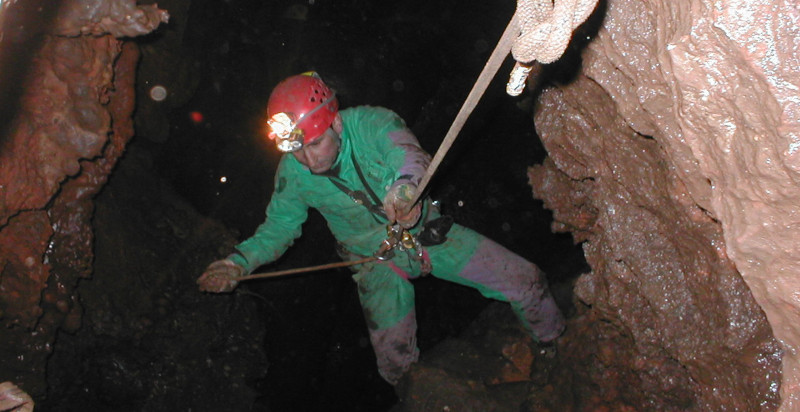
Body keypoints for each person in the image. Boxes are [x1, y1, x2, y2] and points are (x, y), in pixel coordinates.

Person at [197, 72, 565, 385]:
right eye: (297, 150)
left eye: (316, 144)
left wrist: (404, 190)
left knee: (527, 282)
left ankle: (556, 351)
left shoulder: (372, 123)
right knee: (395, 366)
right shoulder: (293, 174)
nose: (308, 160)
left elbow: (407, 155)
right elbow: (278, 228)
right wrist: (236, 264)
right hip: (375, 262)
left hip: (426, 235)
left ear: (335, 123)